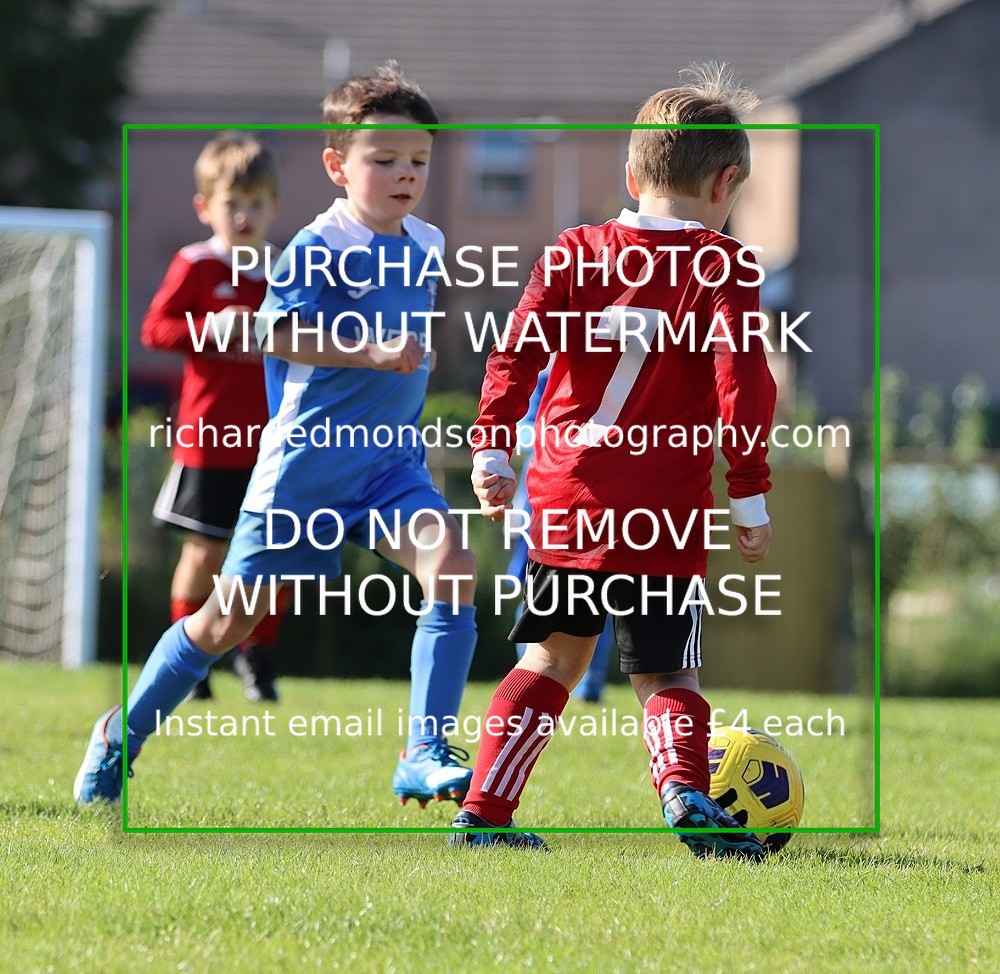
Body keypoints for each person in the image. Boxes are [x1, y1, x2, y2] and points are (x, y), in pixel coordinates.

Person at [75, 63, 478, 810]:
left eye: (419, 160)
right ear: (336, 165)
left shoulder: (428, 242)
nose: (405, 174)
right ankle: (118, 735)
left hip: (389, 469)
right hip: (303, 471)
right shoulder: (315, 247)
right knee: (225, 621)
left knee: (452, 565)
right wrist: (370, 350)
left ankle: (423, 752)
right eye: (384, 159)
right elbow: (278, 334)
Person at [450, 63, 776, 857]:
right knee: (667, 674)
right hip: (660, 514)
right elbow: (745, 384)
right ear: (726, 183)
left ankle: (484, 815)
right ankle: (687, 796)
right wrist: (749, 496)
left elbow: (513, 354)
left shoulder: (571, 252)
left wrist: (491, 445)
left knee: (551, 658)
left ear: (631, 176)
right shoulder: (725, 267)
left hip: (567, 501)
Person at [142, 132, 286, 703]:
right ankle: (188, 661)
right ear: (205, 207)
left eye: (257, 203)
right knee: (203, 551)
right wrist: (208, 329)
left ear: (274, 206)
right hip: (208, 439)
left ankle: (257, 656)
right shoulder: (196, 265)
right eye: (232, 203)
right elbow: (155, 330)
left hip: (274, 443)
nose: (244, 215)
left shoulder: (288, 269)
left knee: (274, 556)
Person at [507, 367, 614, 703]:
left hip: (601, 497)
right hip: (543, 500)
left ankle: (589, 685)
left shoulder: (616, 369)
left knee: (601, 590)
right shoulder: (545, 373)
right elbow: (524, 429)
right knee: (532, 590)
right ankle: (529, 677)